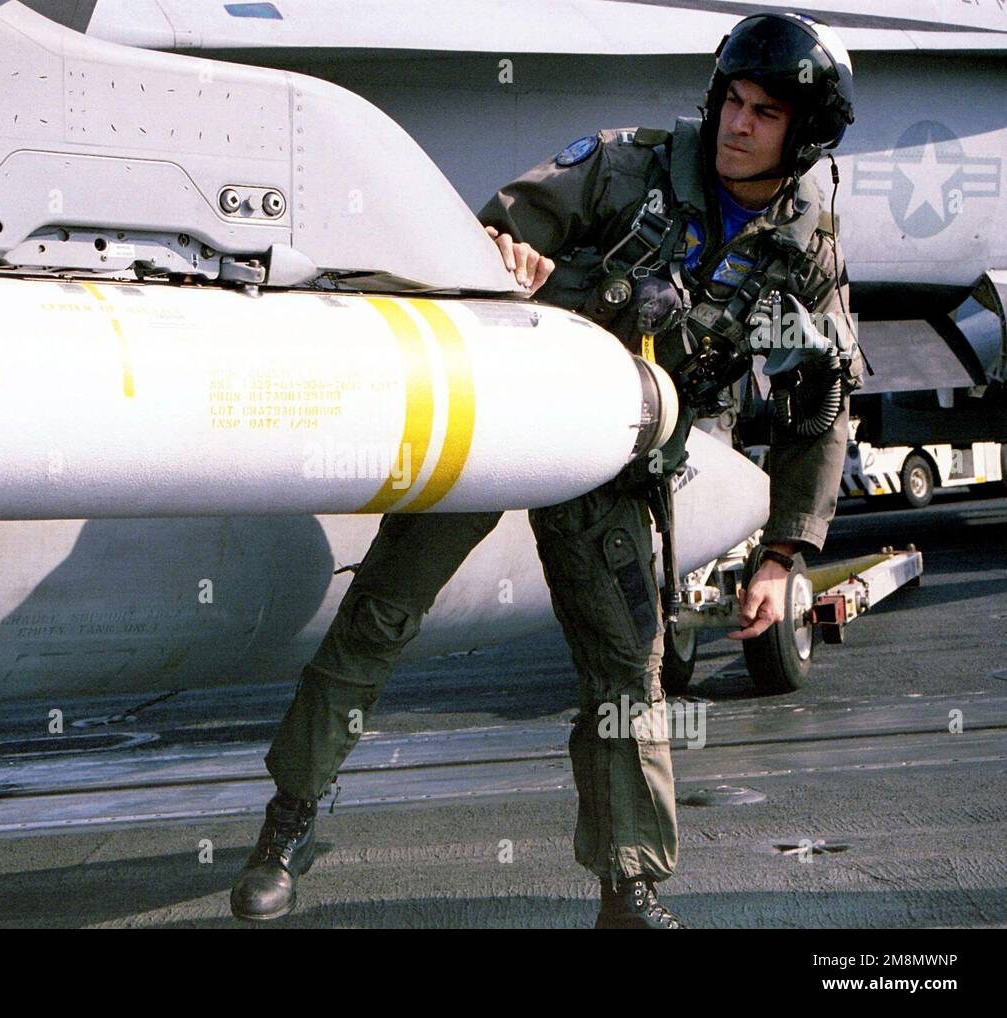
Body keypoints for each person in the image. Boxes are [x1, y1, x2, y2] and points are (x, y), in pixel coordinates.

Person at [230, 12, 863, 928]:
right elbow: (488, 230)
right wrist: (503, 254)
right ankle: (283, 830)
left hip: (609, 459)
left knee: (625, 678)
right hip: (504, 422)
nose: (736, 122)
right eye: (732, 99)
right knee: (380, 616)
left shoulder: (802, 251)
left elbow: (817, 402)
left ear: (801, 135)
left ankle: (628, 889)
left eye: (763, 112)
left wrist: (785, 551)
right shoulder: (623, 167)